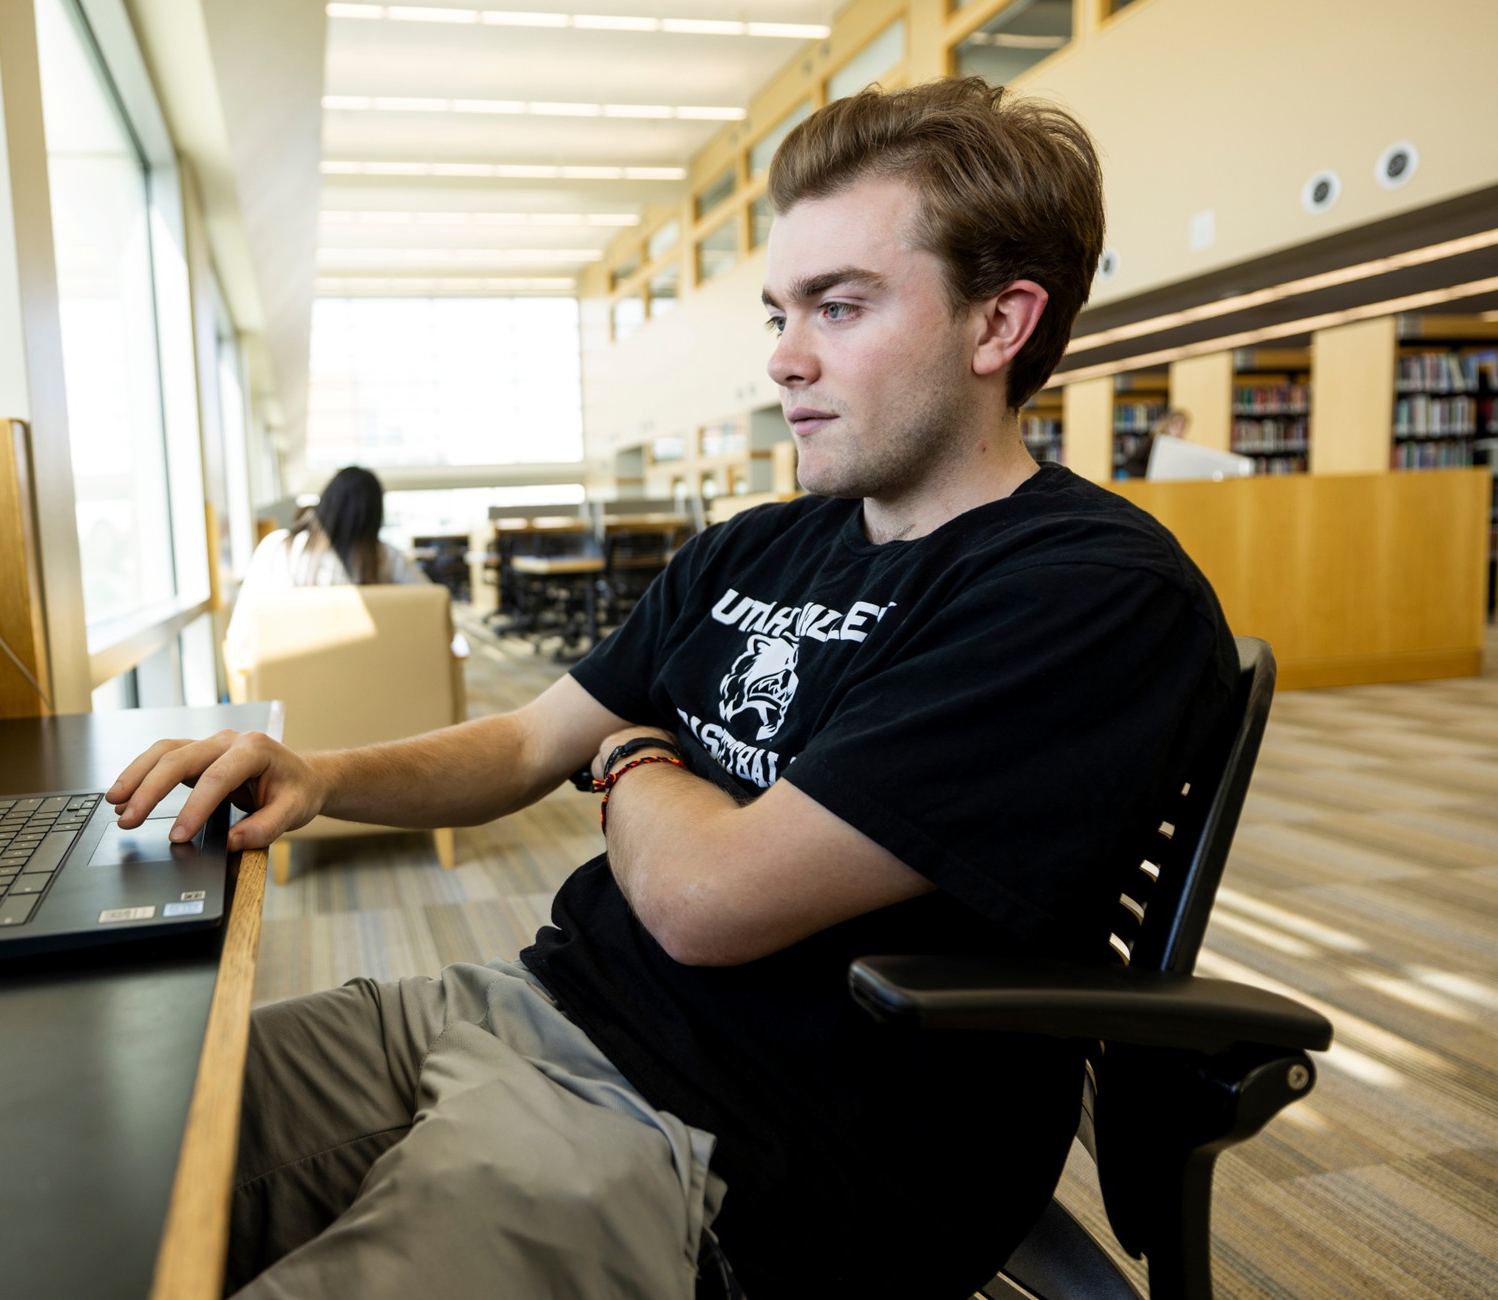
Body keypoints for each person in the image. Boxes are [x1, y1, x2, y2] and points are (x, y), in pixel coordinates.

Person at [110, 78, 1237, 1299]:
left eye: (838, 306)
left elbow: (708, 899)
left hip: (727, 1147)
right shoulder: (755, 547)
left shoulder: (1085, 592)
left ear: (998, 324)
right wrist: (323, 776)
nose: (782, 358)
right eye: (778, 310)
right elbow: (533, 738)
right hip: (519, 1004)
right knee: (108, 1142)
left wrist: (637, 759)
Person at [223, 465, 428, 668]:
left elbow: (239, 640)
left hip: (288, 685)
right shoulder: (386, 558)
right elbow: (434, 610)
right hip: (370, 682)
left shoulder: (276, 549)